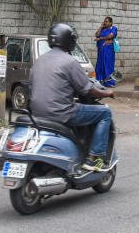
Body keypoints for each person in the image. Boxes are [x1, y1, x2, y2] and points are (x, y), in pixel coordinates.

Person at [30, 22, 116, 172]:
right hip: (62, 113)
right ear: (69, 41)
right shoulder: (70, 61)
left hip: (36, 113)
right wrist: (107, 93)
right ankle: (94, 158)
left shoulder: (39, 61)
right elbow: (88, 90)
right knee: (105, 113)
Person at [94, 16, 118, 87]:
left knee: (108, 66)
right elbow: (97, 35)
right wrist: (101, 27)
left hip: (109, 51)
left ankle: (109, 82)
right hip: (101, 50)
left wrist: (101, 38)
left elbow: (111, 36)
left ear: (111, 22)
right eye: (104, 21)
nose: (105, 22)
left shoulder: (113, 28)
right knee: (100, 65)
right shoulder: (103, 29)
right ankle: (99, 81)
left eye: (107, 21)